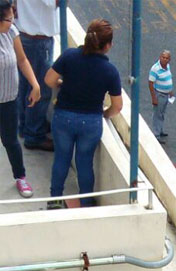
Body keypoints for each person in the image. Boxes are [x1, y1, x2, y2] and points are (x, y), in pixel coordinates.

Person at [44, 18, 122, 208]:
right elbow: (117, 106)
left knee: (61, 158)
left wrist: (61, 84)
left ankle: (54, 199)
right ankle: (85, 202)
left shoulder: (70, 56)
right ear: (107, 46)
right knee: (84, 163)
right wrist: (105, 114)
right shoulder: (110, 71)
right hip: (91, 121)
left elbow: (48, 80)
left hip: (63, 117)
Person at [1, 3, 40, 198]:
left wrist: (35, 84)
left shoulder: (11, 32)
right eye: (9, 18)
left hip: (8, 99)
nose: (13, 20)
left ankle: (20, 177)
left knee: (11, 140)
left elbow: (22, 60)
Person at [16, 0, 58, 152]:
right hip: (38, 38)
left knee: (24, 85)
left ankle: (25, 125)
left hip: (24, 32)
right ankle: (34, 134)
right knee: (40, 88)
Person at [147, 50, 172, 143]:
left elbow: (168, 78)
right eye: (163, 57)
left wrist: (170, 91)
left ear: (169, 60)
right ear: (160, 57)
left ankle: (160, 130)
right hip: (159, 94)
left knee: (162, 113)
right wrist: (154, 98)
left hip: (166, 94)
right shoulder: (155, 68)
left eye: (167, 58)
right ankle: (156, 134)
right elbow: (150, 83)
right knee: (157, 114)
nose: (164, 59)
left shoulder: (167, 67)